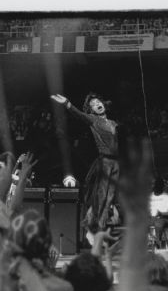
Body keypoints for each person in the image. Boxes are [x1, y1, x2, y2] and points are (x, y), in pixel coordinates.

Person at [50, 92, 119, 233]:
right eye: (93, 105)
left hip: (116, 163)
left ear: (103, 103)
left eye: (98, 102)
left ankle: (103, 229)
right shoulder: (93, 119)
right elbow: (78, 114)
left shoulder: (113, 123)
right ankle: (96, 229)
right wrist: (67, 103)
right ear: (91, 110)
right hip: (105, 161)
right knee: (102, 196)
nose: (97, 105)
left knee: (110, 197)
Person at [149, 177, 168, 248]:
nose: (152, 185)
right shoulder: (149, 196)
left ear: (159, 185)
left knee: (158, 223)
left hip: (164, 218)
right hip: (152, 218)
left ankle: (157, 243)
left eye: (154, 184)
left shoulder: (166, 197)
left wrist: (162, 213)